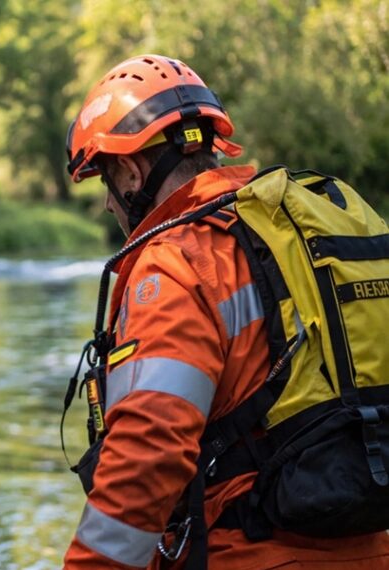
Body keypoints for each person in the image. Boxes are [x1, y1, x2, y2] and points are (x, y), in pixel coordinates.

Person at [62, 54, 389, 569]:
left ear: (129, 171)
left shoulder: (178, 264)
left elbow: (150, 451)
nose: (108, 204)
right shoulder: (292, 235)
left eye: (105, 180)